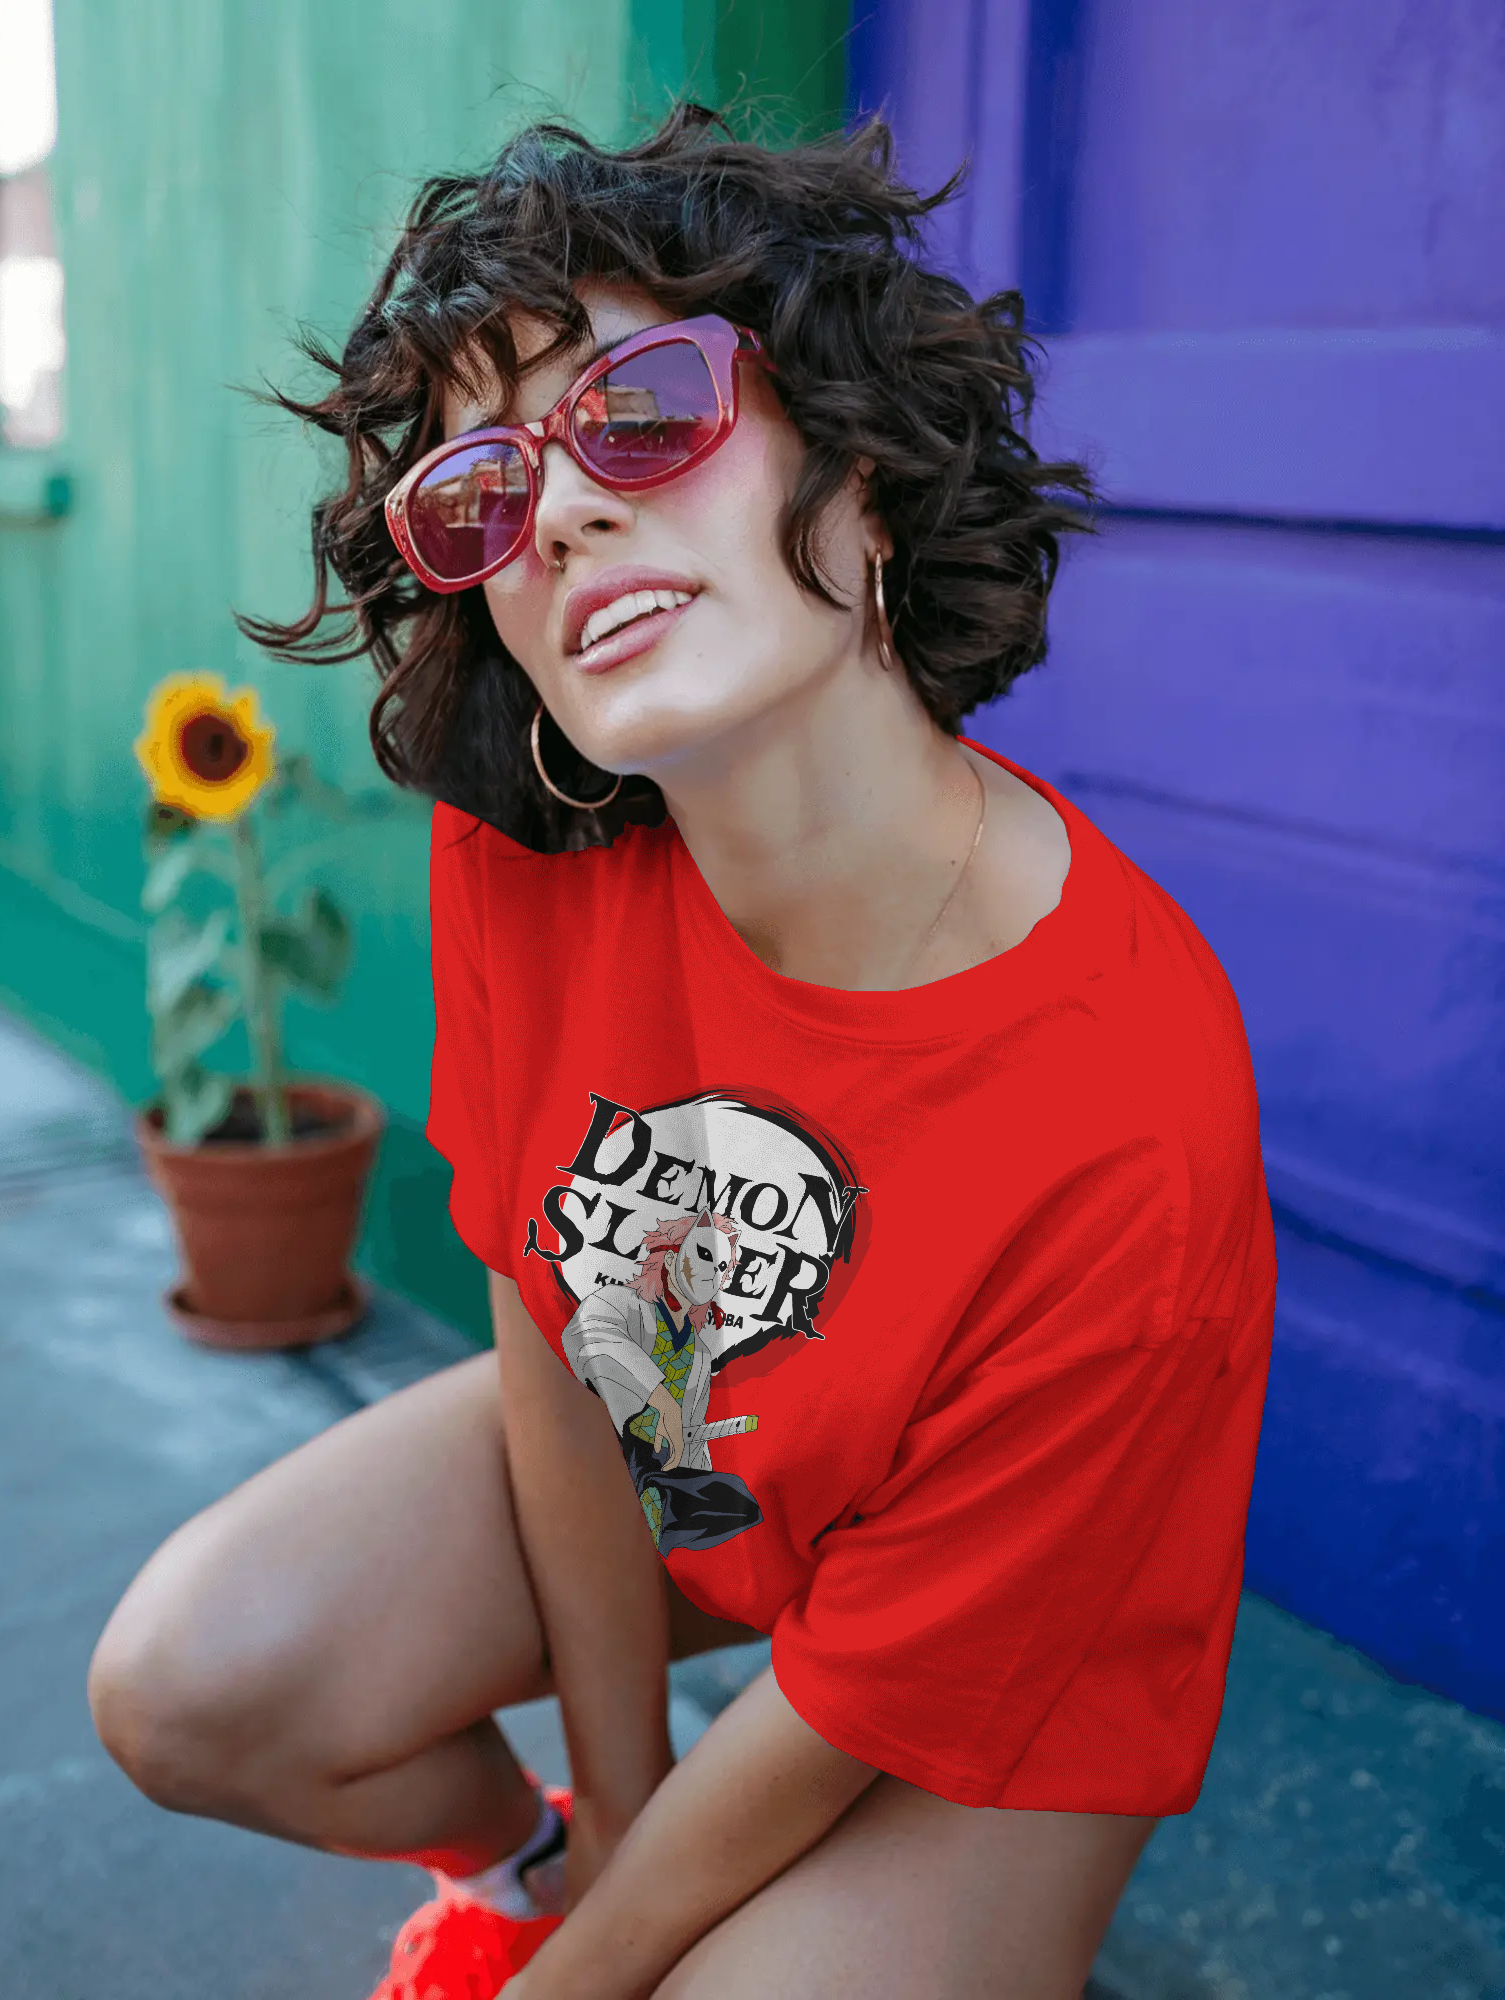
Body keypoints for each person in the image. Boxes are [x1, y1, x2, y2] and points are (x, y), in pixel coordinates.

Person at [88, 105, 1275, 2000]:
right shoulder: (532, 843)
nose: (558, 511)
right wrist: (605, 1843)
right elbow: (555, 1341)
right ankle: (511, 1875)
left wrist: (603, 1979)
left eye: (643, 411)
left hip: (995, 1657)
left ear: (862, 467)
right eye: (482, 491)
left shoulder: (1129, 1102)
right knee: (187, 1681)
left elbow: (867, 1688)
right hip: (702, 1478)